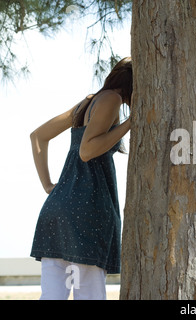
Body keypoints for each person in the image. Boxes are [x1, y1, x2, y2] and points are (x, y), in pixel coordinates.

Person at [29, 57, 132, 300]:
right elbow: (87, 151)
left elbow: (37, 136)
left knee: (52, 295)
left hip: (57, 212)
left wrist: (48, 186)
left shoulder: (88, 102)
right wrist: (129, 123)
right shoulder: (111, 99)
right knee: (90, 295)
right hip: (86, 214)